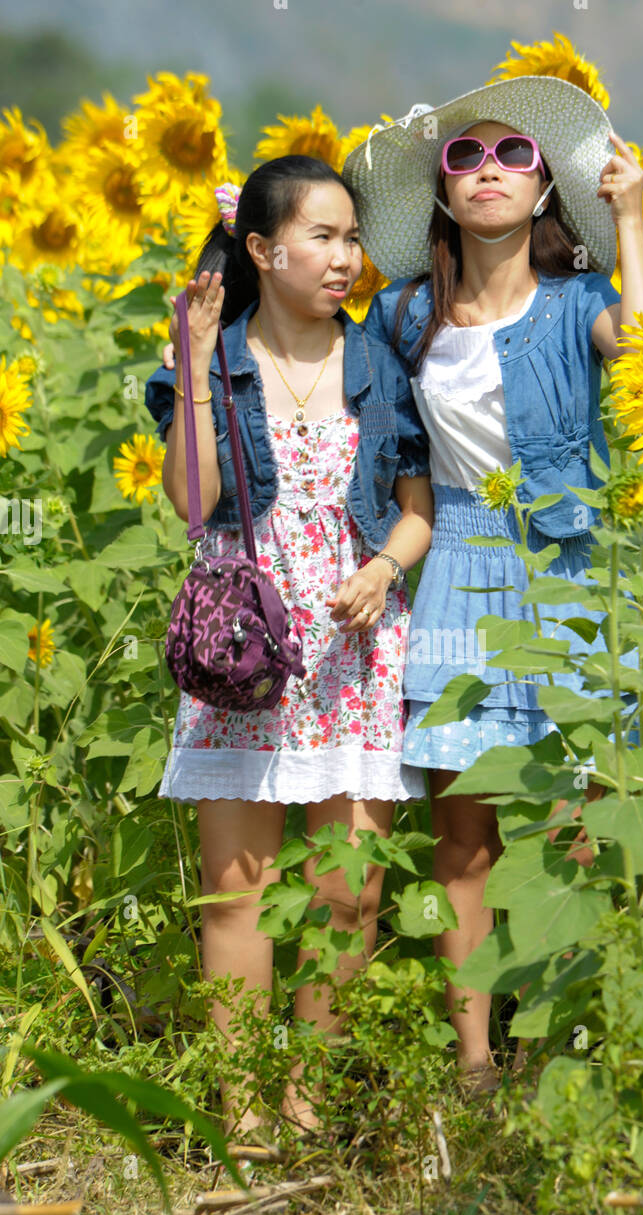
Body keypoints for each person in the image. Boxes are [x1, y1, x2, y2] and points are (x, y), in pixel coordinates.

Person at [343, 76, 643, 1095]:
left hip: (567, 568)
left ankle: (567, 1051)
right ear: (440, 194)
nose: (488, 173)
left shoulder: (580, 305)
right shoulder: (401, 317)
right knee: (463, 836)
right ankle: (475, 1062)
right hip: (459, 571)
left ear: (542, 191)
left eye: (513, 157)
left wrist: (632, 216)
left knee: (574, 824)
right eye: (465, 158)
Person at [145, 156, 433, 1139]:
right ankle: (240, 1112)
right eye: (322, 237)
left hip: (354, 644)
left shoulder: (377, 367)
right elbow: (193, 503)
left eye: (351, 237)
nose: (345, 257)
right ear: (262, 250)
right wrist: (189, 362)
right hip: (247, 642)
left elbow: (414, 510)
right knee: (237, 898)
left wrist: (385, 568)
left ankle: (308, 1101)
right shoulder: (215, 359)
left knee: (347, 894)